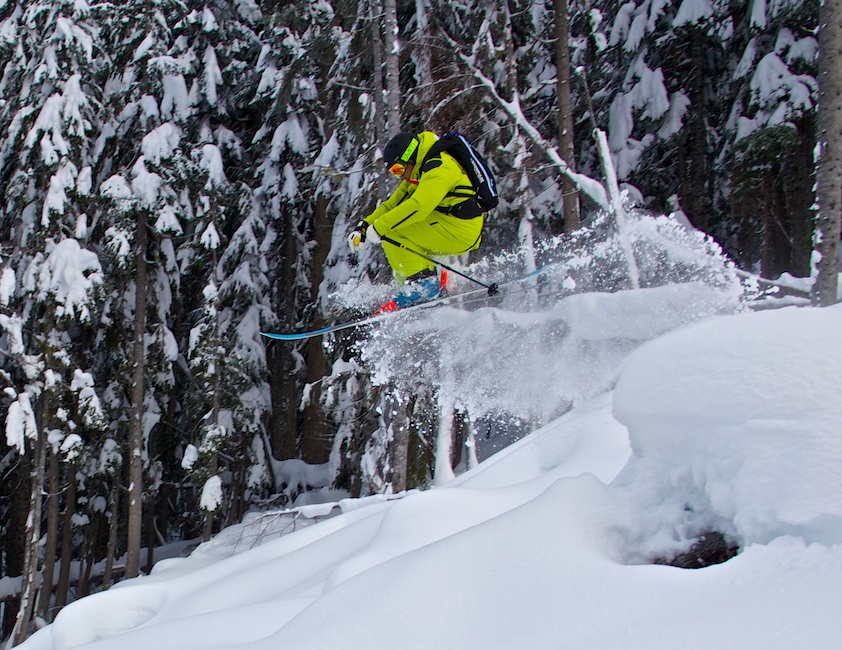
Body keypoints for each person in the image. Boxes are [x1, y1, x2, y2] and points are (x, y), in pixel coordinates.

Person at [348, 131, 485, 308]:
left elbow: (419, 207)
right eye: (393, 172)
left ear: (409, 158)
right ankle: (422, 280)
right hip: (450, 225)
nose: (399, 176)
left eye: (398, 169)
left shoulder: (439, 168)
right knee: (392, 225)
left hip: (461, 231)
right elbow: (393, 205)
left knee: (391, 230)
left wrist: (379, 227)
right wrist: (364, 227)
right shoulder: (420, 170)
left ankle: (422, 284)